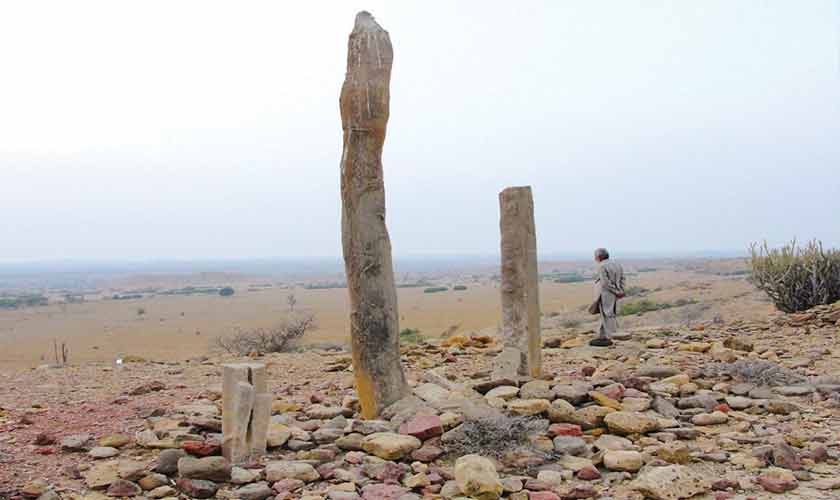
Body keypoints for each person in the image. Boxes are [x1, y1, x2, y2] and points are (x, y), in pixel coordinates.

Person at [589, 248, 625, 347]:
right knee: (608, 314)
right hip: (615, 293)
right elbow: (622, 278)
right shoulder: (617, 264)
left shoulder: (602, 266)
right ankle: (602, 336)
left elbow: (605, 283)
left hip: (606, 294)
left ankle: (610, 336)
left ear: (599, 257)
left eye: (595, 256)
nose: (595, 258)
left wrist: (616, 291)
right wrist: (620, 291)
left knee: (607, 314)